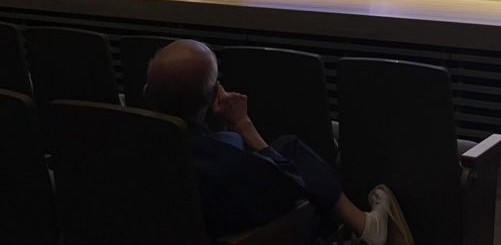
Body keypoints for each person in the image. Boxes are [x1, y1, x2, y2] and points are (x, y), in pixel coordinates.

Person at [144, 40, 413, 244]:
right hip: (243, 230)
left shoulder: (130, 142)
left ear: (147, 91)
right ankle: (361, 225)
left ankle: (362, 225)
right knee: (297, 163)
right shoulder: (225, 159)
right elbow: (291, 181)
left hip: (179, 221)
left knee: (285, 148)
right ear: (216, 95)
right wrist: (243, 125)